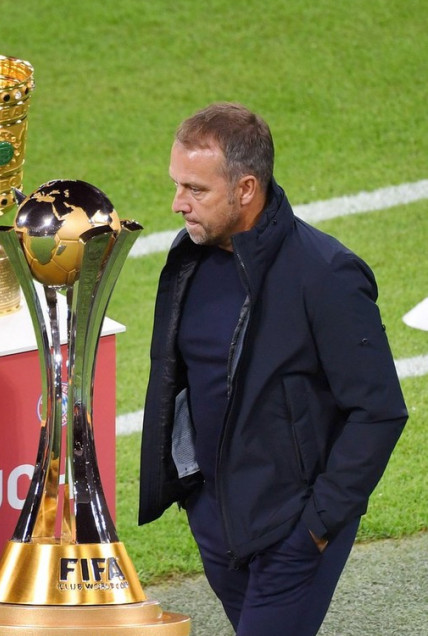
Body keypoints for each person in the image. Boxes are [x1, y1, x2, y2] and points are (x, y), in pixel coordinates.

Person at [138, 102, 407, 635]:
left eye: (196, 190)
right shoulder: (190, 258)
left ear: (245, 189)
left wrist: (318, 526)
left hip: (293, 528)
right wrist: (195, 499)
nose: (177, 204)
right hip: (217, 523)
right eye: (177, 185)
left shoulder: (326, 275)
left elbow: (378, 411)